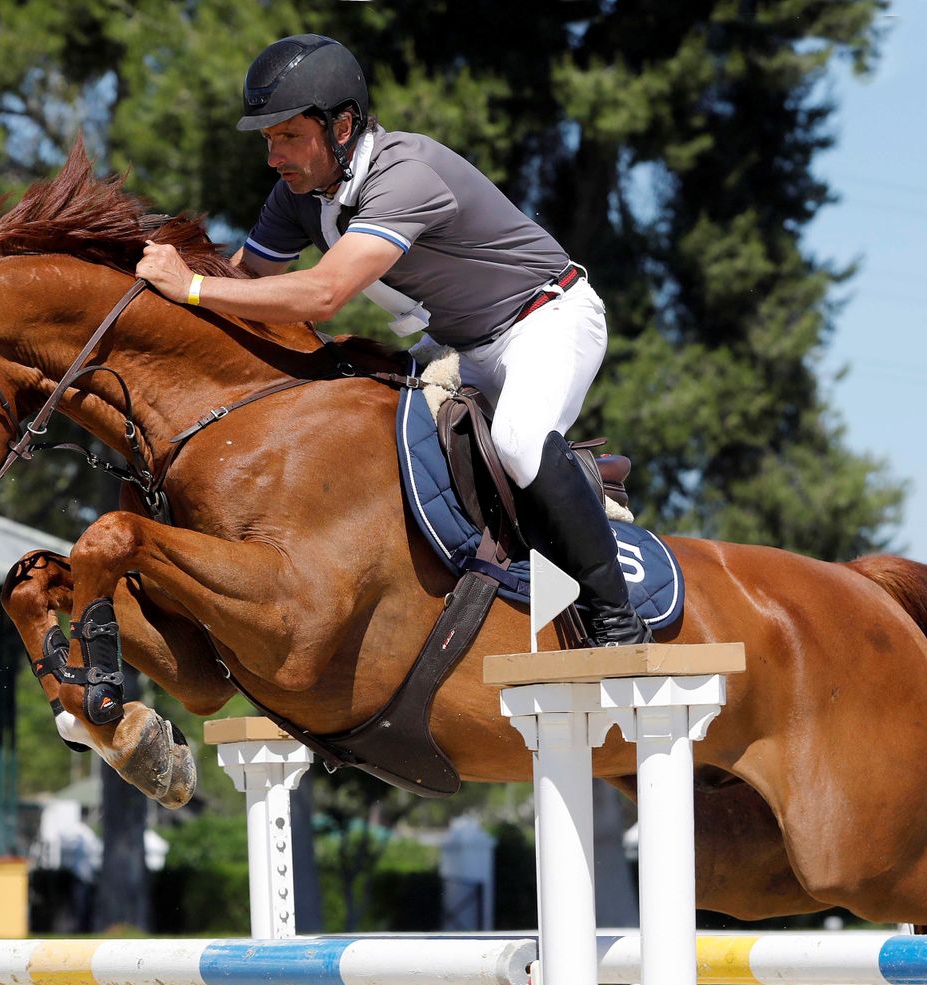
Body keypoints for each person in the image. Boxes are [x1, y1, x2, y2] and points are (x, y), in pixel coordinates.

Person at [136, 34, 650, 646]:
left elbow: (323, 293)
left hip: (548, 320)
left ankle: (617, 615)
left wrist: (188, 286)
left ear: (344, 125)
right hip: (463, 348)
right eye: (268, 139)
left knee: (516, 442)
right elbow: (245, 281)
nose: (273, 157)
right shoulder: (300, 194)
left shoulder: (406, 173)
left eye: (289, 136)